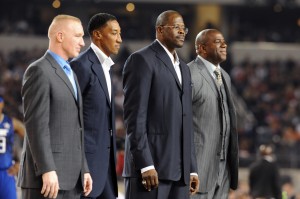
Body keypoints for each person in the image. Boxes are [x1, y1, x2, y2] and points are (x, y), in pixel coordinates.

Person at [122, 10, 199, 199]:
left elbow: (186, 121)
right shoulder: (141, 60)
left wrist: (192, 168)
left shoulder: (184, 68)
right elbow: (135, 118)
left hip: (180, 174)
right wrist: (145, 164)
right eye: (176, 27)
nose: (182, 32)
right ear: (160, 30)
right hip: (151, 171)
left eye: (184, 28)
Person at [17, 14, 92, 199]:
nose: (82, 43)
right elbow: (36, 126)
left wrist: (84, 169)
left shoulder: (71, 74)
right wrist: (47, 169)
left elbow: (76, 128)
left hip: (72, 179)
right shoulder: (39, 71)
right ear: (60, 36)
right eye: (77, 36)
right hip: (46, 179)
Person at [70, 13, 122, 199]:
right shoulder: (80, 66)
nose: (120, 39)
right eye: (114, 33)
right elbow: (71, 120)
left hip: (106, 167)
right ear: (98, 35)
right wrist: (81, 166)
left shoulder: (107, 68)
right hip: (87, 169)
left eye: (120, 33)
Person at [188, 29, 239, 199]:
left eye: (223, 41)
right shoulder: (189, 73)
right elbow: (180, 123)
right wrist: (188, 166)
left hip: (223, 168)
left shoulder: (224, 75)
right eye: (217, 42)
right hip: (199, 166)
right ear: (201, 48)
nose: (224, 45)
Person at [0, 96, 25, 199]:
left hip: (6, 172)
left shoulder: (11, 122)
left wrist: (22, 163)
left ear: (2, 105)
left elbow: (32, 140)